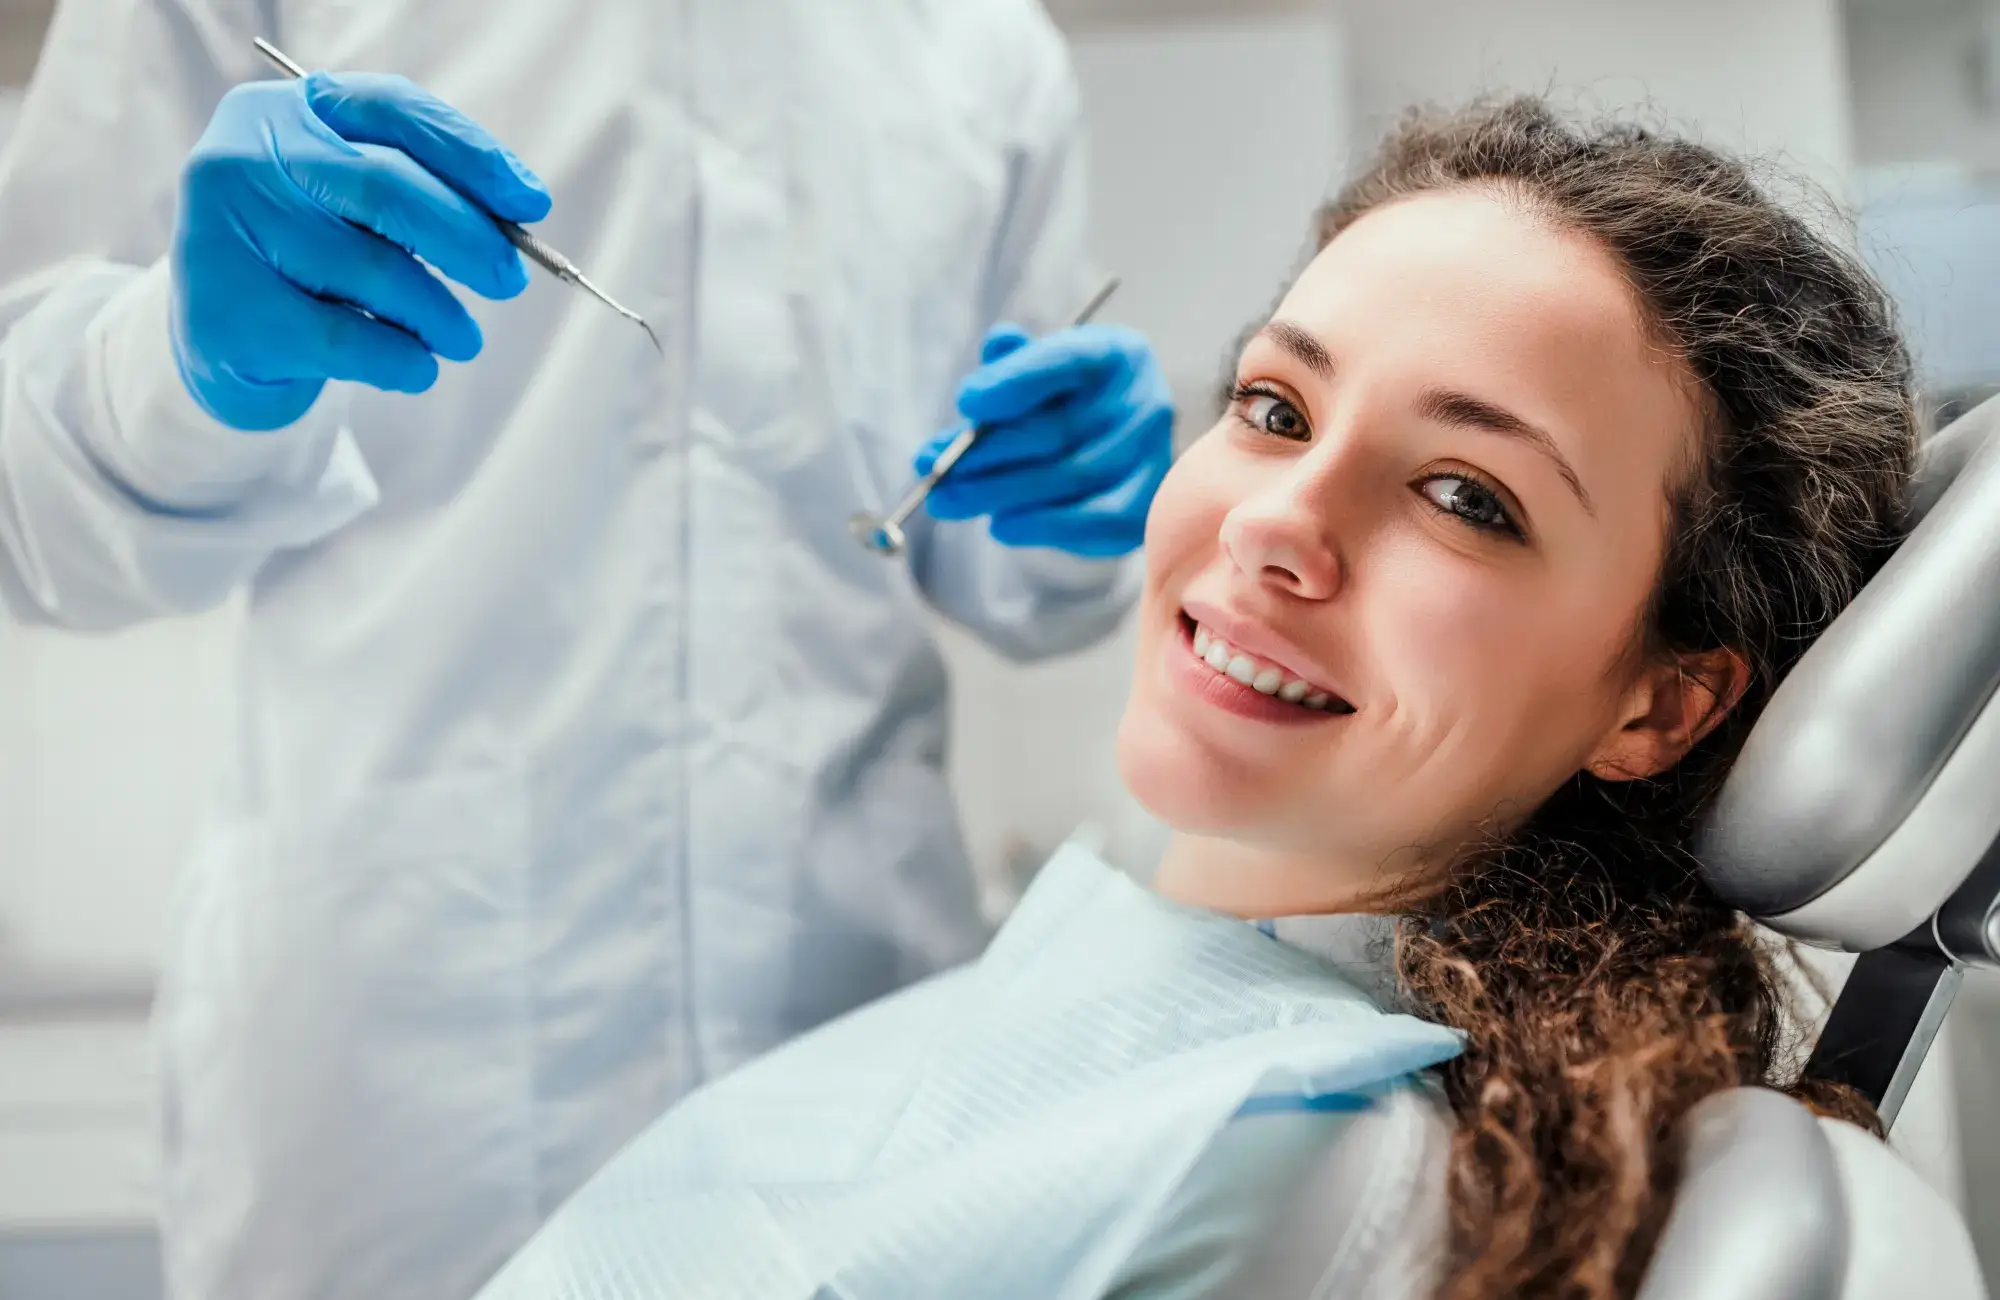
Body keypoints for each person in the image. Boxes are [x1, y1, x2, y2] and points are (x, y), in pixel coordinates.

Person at [467, 98, 1932, 1300]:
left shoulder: (1268, 1173)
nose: (1274, 523)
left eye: (1463, 495)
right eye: (1276, 409)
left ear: (1662, 708)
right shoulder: (1162, 1035)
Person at [0, 3, 1171, 1299]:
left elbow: (1004, 570)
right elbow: (26, 511)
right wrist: (183, 362)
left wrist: (1076, 507)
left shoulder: (986, 44)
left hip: (857, 1036)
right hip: (400, 1104)